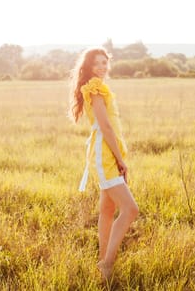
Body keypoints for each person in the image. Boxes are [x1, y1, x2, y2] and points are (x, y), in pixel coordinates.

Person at [69, 47, 139, 281]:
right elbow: (105, 126)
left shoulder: (99, 87)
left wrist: (120, 156)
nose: (102, 66)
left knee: (108, 210)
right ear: (88, 67)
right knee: (130, 210)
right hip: (105, 155)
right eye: (97, 63)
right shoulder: (95, 89)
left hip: (108, 152)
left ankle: (103, 258)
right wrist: (120, 159)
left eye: (105, 62)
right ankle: (107, 264)